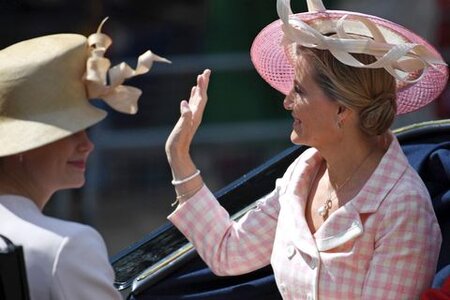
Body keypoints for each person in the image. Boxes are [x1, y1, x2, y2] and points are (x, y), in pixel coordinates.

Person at [165, 0, 448, 299]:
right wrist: (179, 156)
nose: (287, 101)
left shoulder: (402, 207)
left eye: (299, 90)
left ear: (342, 109)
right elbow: (230, 250)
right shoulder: (302, 173)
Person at [0, 19, 169, 299]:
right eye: (70, 131)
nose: (87, 145)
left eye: (85, 130)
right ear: (21, 143)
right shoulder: (67, 246)